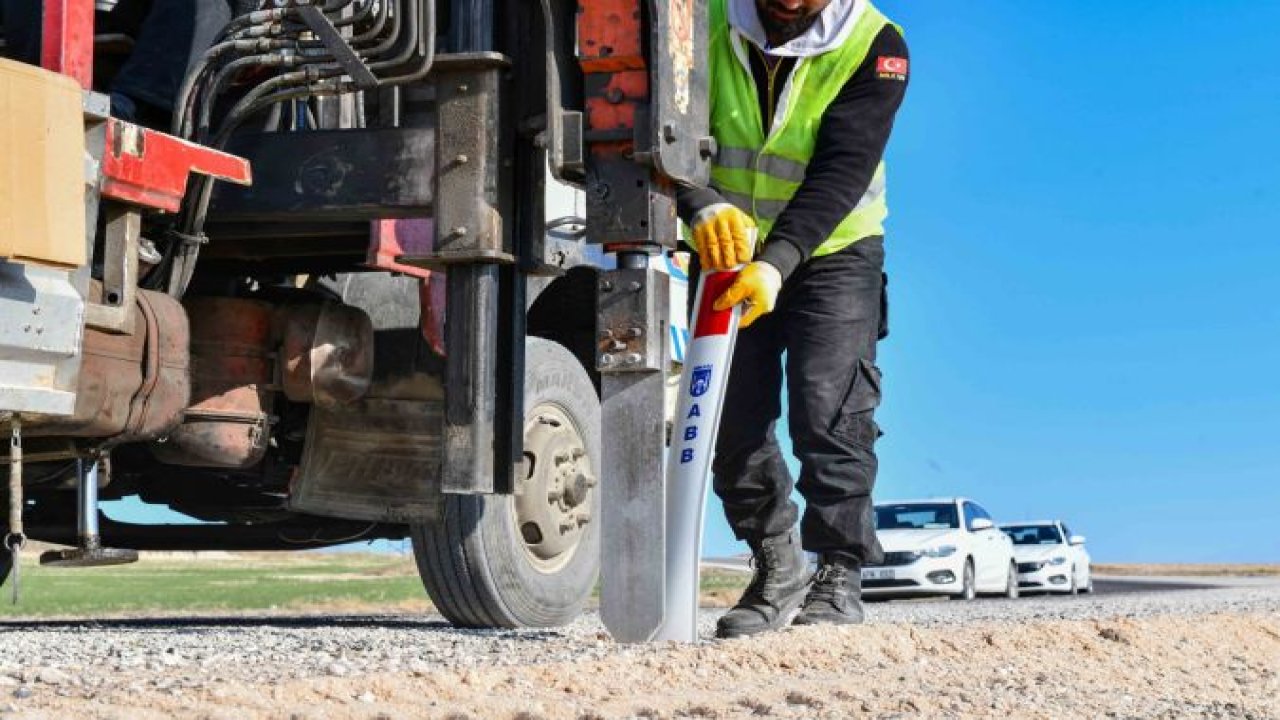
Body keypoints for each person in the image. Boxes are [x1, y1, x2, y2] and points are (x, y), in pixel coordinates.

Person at [676, 0, 909, 638]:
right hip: (725, 242)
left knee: (828, 407)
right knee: (730, 414)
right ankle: (777, 562)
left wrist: (778, 262)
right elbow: (659, 122)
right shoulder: (702, 19)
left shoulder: (875, 43)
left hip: (835, 249)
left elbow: (842, 172)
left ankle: (839, 570)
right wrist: (696, 203)